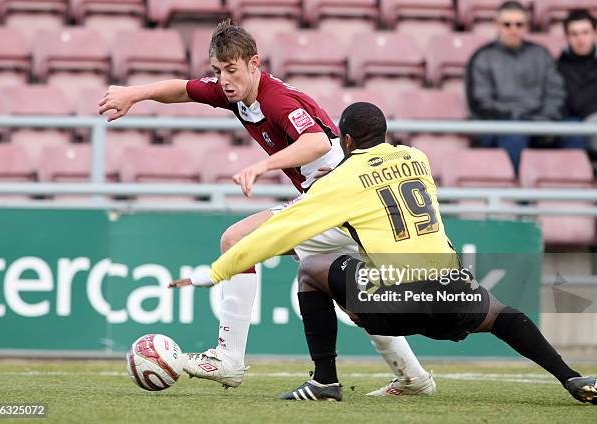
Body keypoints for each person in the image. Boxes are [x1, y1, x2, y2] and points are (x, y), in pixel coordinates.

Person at [169, 102, 597, 404]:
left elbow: (281, 230)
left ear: (347, 139)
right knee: (505, 316)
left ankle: (324, 381)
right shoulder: (418, 158)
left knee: (312, 268)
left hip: (392, 302)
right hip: (450, 289)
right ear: (385, 135)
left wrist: (220, 271)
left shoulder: (342, 178)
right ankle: (572, 377)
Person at [98, 19, 435, 396]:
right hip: (338, 207)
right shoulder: (234, 92)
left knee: (236, 240)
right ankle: (414, 378)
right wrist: (134, 93)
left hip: (337, 203)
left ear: (254, 63)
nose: (224, 80)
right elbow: (182, 90)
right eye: (217, 71)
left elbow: (317, 144)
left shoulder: (275, 99)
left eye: (232, 70)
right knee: (353, 301)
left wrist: (262, 165)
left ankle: (229, 359)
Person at [465, 1, 566, 172]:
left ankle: (571, 195)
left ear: (526, 26)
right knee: (514, 135)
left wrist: (542, 119)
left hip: (539, 123)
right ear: (497, 26)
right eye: (507, 24)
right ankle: (517, 192)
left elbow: (555, 93)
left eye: (519, 24)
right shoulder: (482, 57)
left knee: (574, 134)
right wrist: (515, 118)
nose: (513, 29)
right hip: (498, 125)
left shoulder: (541, 54)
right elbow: (480, 102)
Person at [557, 9, 597, 150]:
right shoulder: (557, 68)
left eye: (585, 32)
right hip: (574, 123)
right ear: (567, 37)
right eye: (574, 34)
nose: (580, 39)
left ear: (595, 33)